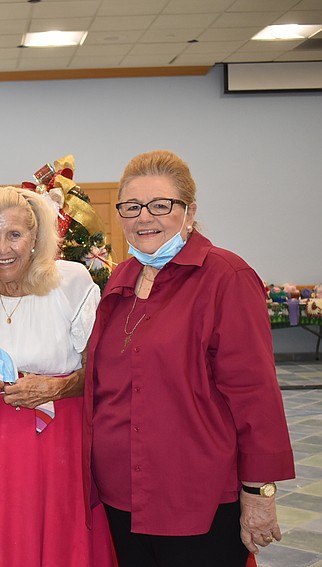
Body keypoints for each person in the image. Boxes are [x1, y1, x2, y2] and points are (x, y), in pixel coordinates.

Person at [84, 150, 295, 567]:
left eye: (161, 205)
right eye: (131, 207)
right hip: (120, 492)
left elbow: (254, 394)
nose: (145, 217)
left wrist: (259, 494)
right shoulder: (120, 279)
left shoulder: (225, 278)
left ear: (190, 212)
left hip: (194, 497)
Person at [0, 185, 115, 566]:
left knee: (59, 536)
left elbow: (102, 372)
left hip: (59, 437)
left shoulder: (71, 283)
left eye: (14, 234)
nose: (3, 248)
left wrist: (55, 387)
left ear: (35, 237)